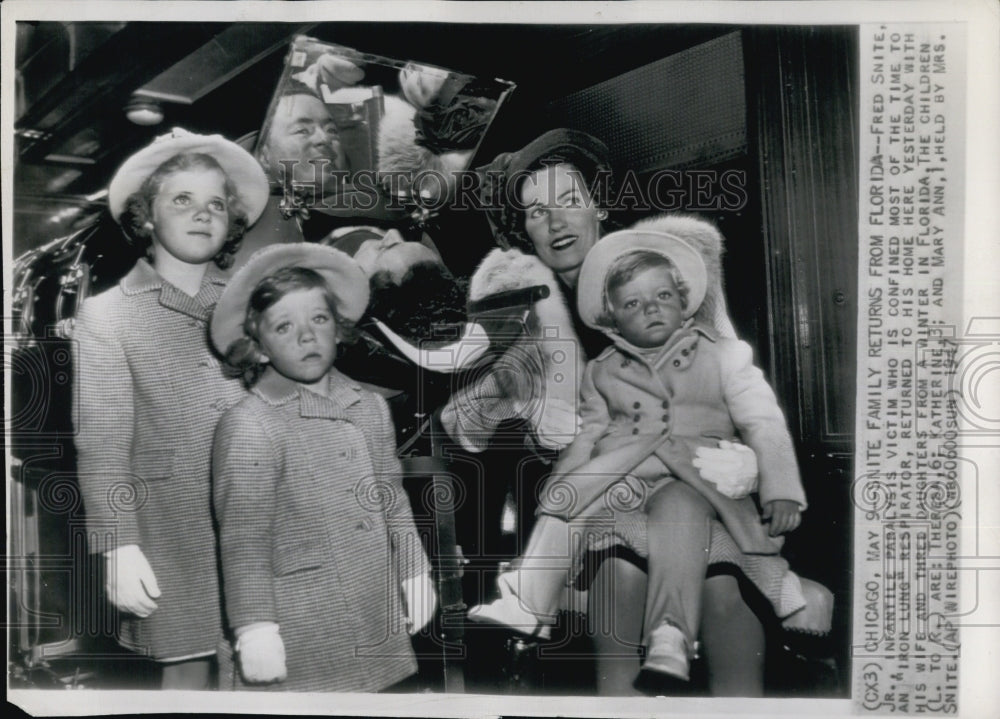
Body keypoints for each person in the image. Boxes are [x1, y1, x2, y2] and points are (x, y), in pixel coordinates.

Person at [441, 129, 784, 695]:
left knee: (723, 592)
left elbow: (737, 381)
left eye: (569, 201)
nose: (556, 222)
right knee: (619, 582)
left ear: (599, 204)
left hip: (691, 484)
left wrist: (751, 459)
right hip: (589, 509)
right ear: (522, 232)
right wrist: (529, 401)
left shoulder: (668, 271)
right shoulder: (527, 311)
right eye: (535, 212)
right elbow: (463, 427)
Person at [468, 227, 833, 681]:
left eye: (662, 295)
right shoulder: (602, 370)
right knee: (570, 496)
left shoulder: (725, 355)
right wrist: (563, 481)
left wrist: (780, 488)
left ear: (685, 301)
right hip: (623, 473)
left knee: (680, 510)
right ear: (613, 320)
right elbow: (589, 434)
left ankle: (671, 635)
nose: (652, 308)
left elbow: (764, 421)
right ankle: (529, 599)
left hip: (696, 473)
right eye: (633, 305)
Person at [73, 128, 269, 688]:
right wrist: (118, 545)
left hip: (262, 527)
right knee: (189, 685)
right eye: (181, 199)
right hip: (168, 535)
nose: (202, 214)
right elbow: (103, 444)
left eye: (216, 204)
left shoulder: (257, 311)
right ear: (147, 217)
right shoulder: (107, 317)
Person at [209, 243, 436, 691]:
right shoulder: (251, 425)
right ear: (257, 348)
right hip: (300, 626)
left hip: (374, 607)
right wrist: (255, 628)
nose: (307, 336)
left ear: (339, 328)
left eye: (319, 319)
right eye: (284, 326)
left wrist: (414, 568)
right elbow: (243, 541)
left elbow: (392, 498)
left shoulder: (368, 406)